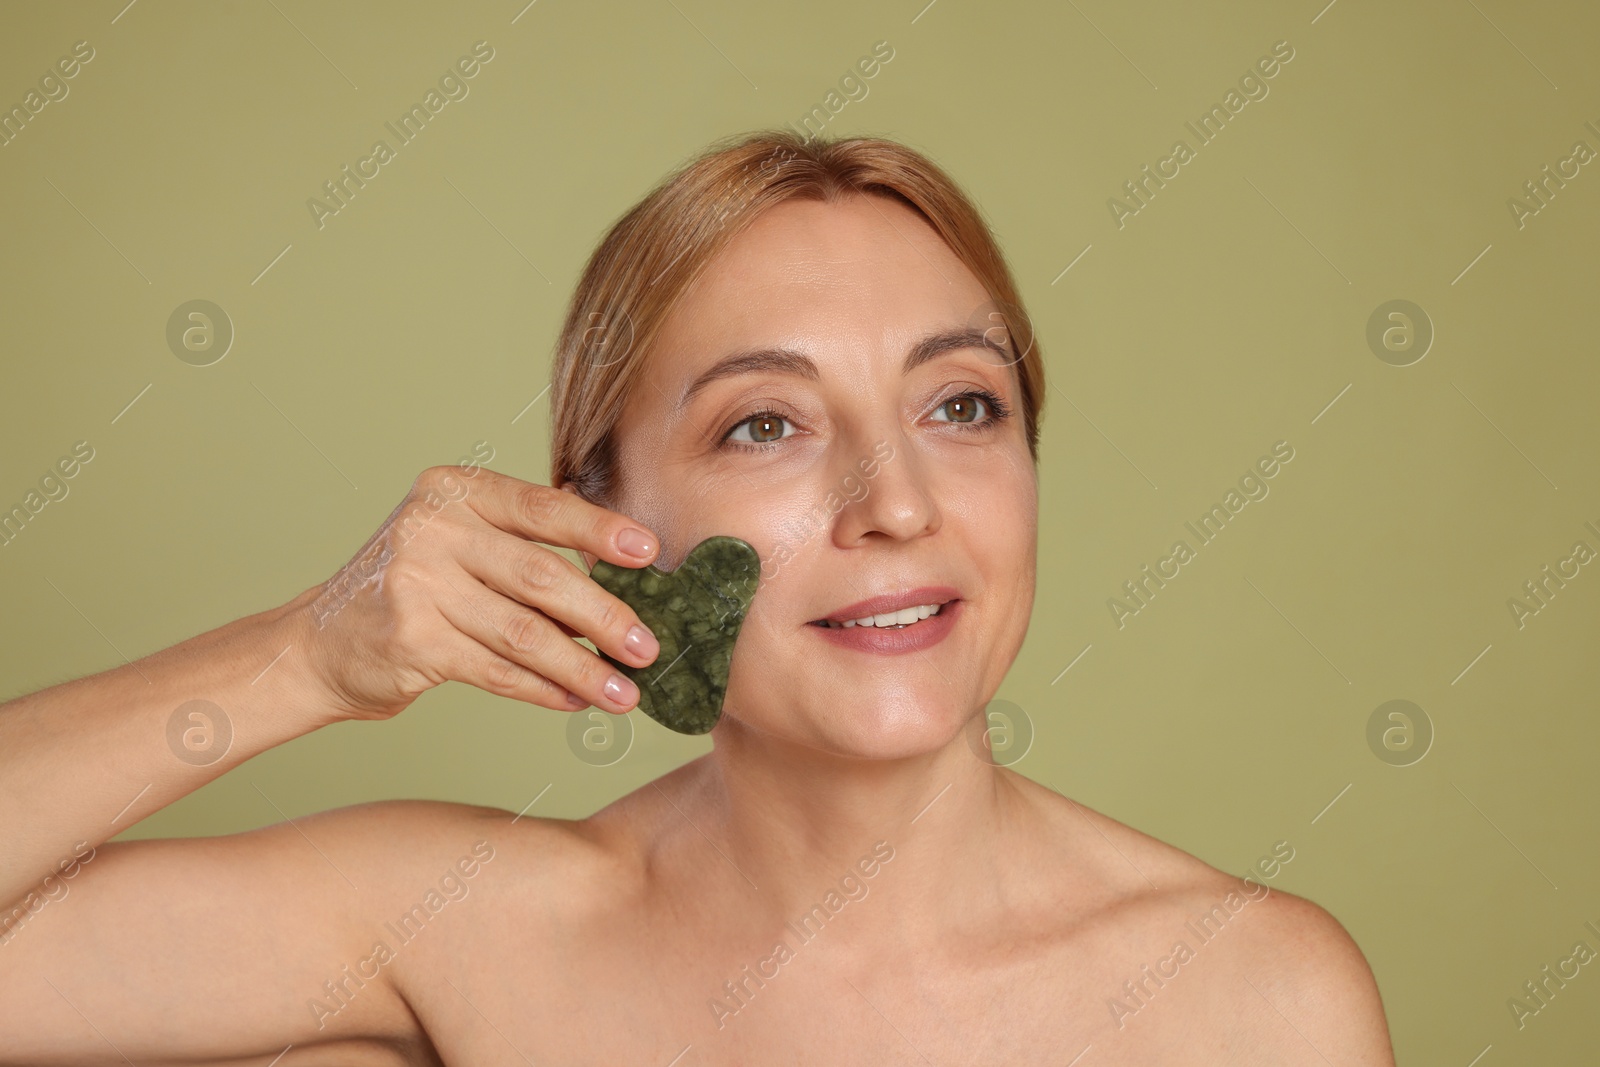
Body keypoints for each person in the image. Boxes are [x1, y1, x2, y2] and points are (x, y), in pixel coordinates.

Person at [0, 129, 1395, 1065]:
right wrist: (304, 657)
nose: (896, 504)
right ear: (607, 520)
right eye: (765, 426)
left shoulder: (1250, 997)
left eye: (961, 405)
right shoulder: (478, 926)